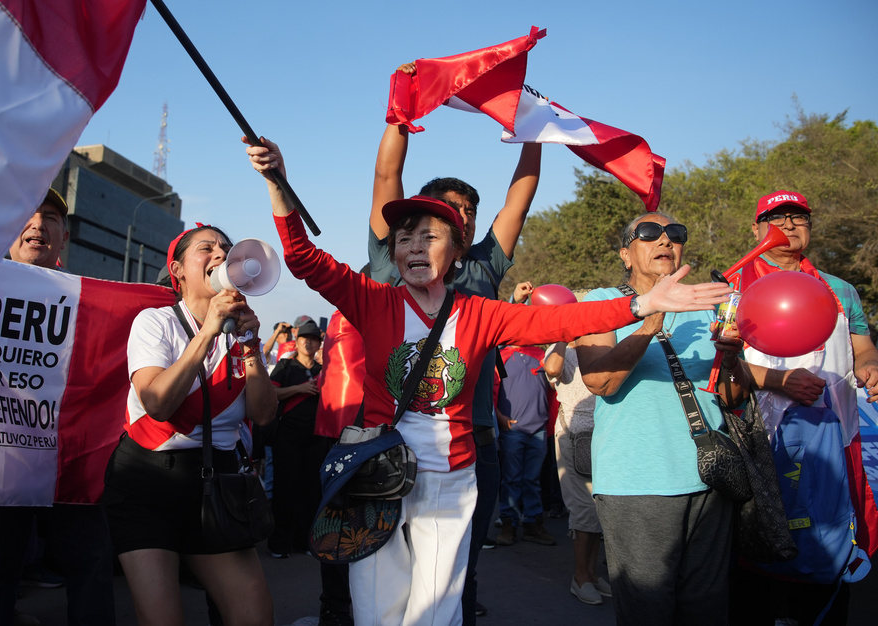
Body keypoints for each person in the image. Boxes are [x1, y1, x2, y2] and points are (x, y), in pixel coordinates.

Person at [246, 137, 731, 626]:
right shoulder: (374, 300)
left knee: (437, 610)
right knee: (377, 607)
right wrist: (276, 183)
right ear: (392, 252)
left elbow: (562, 322)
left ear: (457, 251)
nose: (415, 245)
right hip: (379, 477)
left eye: (430, 236)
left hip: (451, 481)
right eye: (405, 237)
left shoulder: (480, 313)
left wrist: (643, 305)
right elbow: (304, 258)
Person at [369, 62, 545, 622]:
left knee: (454, 577)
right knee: (382, 570)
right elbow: (385, 181)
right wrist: (400, 113)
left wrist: (535, 131)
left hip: (474, 446)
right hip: (387, 441)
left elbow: (520, 199)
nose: (465, 218)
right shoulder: (391, 261)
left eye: (470, 211)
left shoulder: (483, 269)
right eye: (451, 211)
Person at [0, 187, 117, 626]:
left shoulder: (85, 301)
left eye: (50, 217)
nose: (38, 224)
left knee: (92, 566)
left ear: (64, 236)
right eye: (27, 215)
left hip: (70, 459)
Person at [575, 211, 750, 626]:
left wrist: (729, 356)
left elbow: (733, 395)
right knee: (647, 611)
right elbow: (601, 382)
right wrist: (653, 316)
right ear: (626, 253)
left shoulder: (706, 304)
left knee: (706, 610)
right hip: (638, 485)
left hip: (710, 479)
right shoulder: (600, 302)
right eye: (649, 233)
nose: (665, 240)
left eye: (675, 233)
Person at [101, 225, 277, 626]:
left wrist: (251, 347)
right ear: (178, 270)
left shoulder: (240, 335)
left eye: (226, 248)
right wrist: (209, 332)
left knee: (254, 612)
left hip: (216, 484)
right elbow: (158, 404)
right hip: (147, 482)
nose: (221, 253)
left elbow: (264, 414)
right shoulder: (155, 323)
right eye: (207, 248)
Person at [730, 190, 878, 625]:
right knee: (755, 570)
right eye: (777, 218)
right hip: (758, 448)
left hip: (834, 444)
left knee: (826, 556)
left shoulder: (840, 290)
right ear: (756, 230)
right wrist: (780, 381)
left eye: (800, 218)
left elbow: (864, 349)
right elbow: (720, 368)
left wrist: (871, 367)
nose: (790, 226)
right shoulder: (733, 287)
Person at [547, 338, 612, 607]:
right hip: (573, 435)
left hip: (603, 436)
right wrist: (563, 336)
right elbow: (552, 369)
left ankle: (593, 574)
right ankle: (581, 576)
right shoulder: (561, 349)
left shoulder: (601, 345)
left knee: (599, 508)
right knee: (583, 508)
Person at [267, 320, 327, 558]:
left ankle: (305, 542)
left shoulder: (324, 370)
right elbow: (271, 393)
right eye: (305, 338)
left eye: (314, 338)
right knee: (285, 490)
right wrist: (300, 389)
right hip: (288, 436)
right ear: (298, 340)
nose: (309, 341)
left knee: (312, 492)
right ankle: (280, 544)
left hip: (316, 437)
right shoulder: (285, 365)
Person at [493, 338, 556, 547]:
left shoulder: (541, 355)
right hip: (512, 429)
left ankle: (532, 524)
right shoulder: (501, 357)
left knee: (533, 479)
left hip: (538, 428)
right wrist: (500, 417)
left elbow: (553, 388)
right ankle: (509, 525)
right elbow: (492, 390)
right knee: (511, 479)